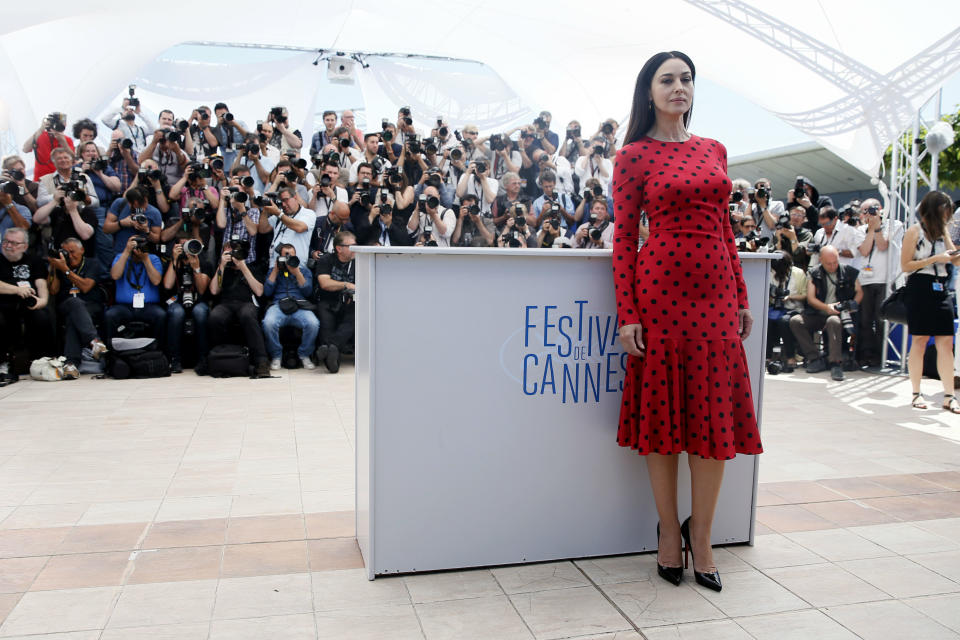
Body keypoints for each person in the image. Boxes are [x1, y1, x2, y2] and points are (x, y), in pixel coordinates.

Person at [612, 51, 762, 593]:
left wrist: (741, 294)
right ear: (648, 91)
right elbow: (624, 240)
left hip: (717, 294)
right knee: (664, 421)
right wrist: (627, 312)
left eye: (686, 79)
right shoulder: (632, 156)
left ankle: (702, 535)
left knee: (712, 419)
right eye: (667, 79)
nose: (679, 87)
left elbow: (726, 231)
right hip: (660, 295)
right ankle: (668, 536)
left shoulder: (714, 149)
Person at [902, 191, 960, 413]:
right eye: (945, 211)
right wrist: (936, 259)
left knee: (946, 342)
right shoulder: (914, 232)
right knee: (920, 340)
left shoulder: (943, 232)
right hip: (919, 287)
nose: (948, 216)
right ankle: (916, 393)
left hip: (941, 288)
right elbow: (905, 266)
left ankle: (949, 396)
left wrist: (952, 252)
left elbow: (955, 262)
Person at [788, 246, 862, 381]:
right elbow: (811, 298)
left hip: (838, 315)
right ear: (821, 260)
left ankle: (835, 363)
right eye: (829, 263)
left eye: (835, 262)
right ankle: (814, 358)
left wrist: (852, 305)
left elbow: (859, 292)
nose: (833, 266)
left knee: (833, 321)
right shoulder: (815, 273)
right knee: (796, 321)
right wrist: (827, 307)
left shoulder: (848, 272)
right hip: (818, 313)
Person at [46, 238, 108, 379]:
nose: (70, 256)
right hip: (66, 304)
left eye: (73, 252)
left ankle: (71, 364)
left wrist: (66, 271)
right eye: (66, 252)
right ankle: (94, 342)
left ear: (82, 250)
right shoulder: (60, 265)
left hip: (90, 306)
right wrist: (55, 268)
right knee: (74, 304)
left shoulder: (92, 263)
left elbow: (85, 287)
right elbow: (53, 290)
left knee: (73, 317)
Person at [0, 228, 55, 383]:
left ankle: (41, 361)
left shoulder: (34, 260)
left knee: (42, 316)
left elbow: (41, 284)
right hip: (3, 305)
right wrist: (17, 290)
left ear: (24, 246)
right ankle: (4, 363)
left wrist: (42, 300)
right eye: (6, 241)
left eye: (14, 243)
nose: (8, 245)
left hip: (27, 305)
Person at [208, 244, 270, 377]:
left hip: (246, 303)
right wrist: (222, 266)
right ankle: (219, 357)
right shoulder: (222, 270)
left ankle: (261, 361)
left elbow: (259, 291)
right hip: (226, 303)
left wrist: (243, 267)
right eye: (229, 253)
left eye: (235, 252)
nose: (233, 256)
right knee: (215, 316)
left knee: (247, 315)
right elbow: (214, 290)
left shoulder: (252, 268)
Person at [856, 198, 903, 369]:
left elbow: (883, 245)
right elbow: (864, 250)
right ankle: (866, 355)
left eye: (871, 210)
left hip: (885, 280)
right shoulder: (860, 230)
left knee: (881, 318)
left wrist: (877, 226)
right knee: (865, 320)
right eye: (865, 211)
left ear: (880, 209)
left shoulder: (894, 224)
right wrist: (870, 228)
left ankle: (881, 356)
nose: (868, 214)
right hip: (865, 280)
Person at [262, 244, 318, 370]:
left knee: (313, 323)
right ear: (279, 257)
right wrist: (276, 270)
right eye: (285, 256)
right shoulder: (273, 270)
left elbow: (308, 292)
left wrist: (297, 272)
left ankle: (304, 354)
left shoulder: (304, 270)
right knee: (268, 323)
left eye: (291, 256)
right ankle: (276, 355)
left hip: (299, 304)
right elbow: (267, 292)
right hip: (278, 304)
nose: (288, 258)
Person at [162, 237, 212, 374]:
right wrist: (174, 260)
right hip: (177, 300)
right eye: (183, 245)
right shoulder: (173, 262)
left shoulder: (204, 263)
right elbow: (167, 285)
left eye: (190, 245)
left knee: (200, 312)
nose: (186, 249)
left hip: (198, 300)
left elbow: (202, 290)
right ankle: (175, 359)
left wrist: (196, 269)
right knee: (177, 313)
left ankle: (203, 359)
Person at [105, 235, 165, 348]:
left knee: (161, 315)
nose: (138, 248)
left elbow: (156, 281)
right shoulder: (121, 257)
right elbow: (115, 275)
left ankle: (159, 353)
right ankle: (110, 353)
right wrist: (126, 251)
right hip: (124, 306)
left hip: (148, 306)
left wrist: (145, 259)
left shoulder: (153, 259)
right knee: (110, 315)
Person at [313, 231, 357, 373]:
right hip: (328, 300)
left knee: (354, 317)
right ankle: (332, 359)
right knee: (326, 325)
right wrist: (346, 285)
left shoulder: (359, 262)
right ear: (339, 248)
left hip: (350, 303)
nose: (355, 249)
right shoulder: (326, 260)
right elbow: (325, 283)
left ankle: (330, 348)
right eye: (352, 246)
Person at [766, 251, 807, 372]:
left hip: (793, 307)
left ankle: (790, 356)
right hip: (774, 308)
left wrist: (790, 297)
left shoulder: (798, 273)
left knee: (784, 322)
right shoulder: (770, 272)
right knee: (766, 321)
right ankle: (768, 356)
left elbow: (805, 295)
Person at [258, 187, 315, 264]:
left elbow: (300, 228)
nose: (284, 204)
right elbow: (263, 229)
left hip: (296, 267)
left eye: (286, 200)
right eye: (281, 201)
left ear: (295, 198)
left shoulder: (308, 213)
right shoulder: (280, 214)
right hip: (275, 266)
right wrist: (265, 208)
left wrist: (279, 214)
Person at [22, 113, 74, 180]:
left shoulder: (67, 140)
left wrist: (63, 142)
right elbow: (25, 149)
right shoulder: (40, 136)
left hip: (61, 178)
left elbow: (72, 158)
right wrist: (41, 129)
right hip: (41, 178)